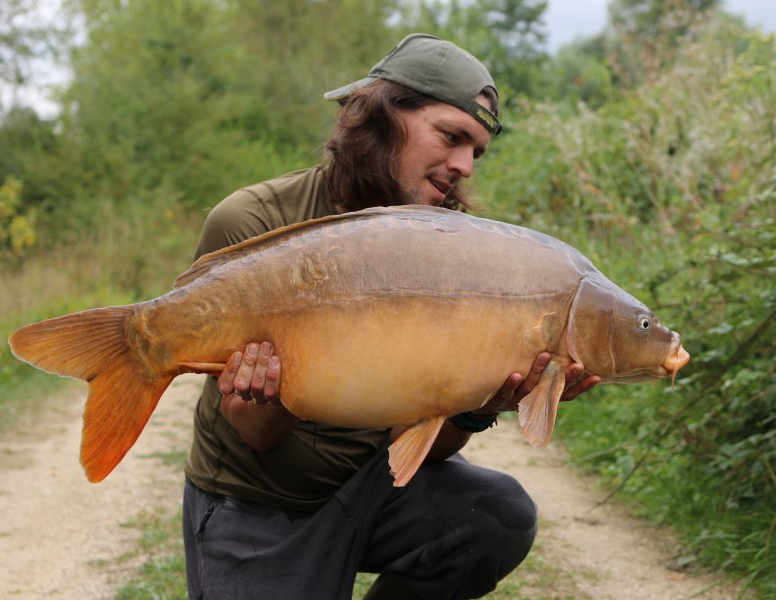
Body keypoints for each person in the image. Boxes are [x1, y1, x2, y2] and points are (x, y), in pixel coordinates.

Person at [182, 33, 600, 600]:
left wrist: (478, 409)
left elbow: (420, 440)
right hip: (260, 501)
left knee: (497, 515)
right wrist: (269, 390)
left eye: (476, 151)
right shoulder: (255, 221)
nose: (464, 166)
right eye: (452, 137)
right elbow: (257, 436)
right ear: (381, 116)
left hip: (371, 487)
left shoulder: (452, 251)